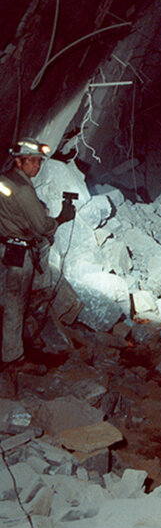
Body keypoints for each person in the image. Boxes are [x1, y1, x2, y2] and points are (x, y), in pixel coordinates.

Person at [0, 138, 74, 368]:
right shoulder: (23, 189)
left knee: (10, 298)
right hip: (18, 252)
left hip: (5, 245)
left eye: (39, 162)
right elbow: (41, 226)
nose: (37, 166)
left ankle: (16, 344)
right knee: (15, 302)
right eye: (32, 161)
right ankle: (13, 357)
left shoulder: (4, 180)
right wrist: (61, 218)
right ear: (19, 161)